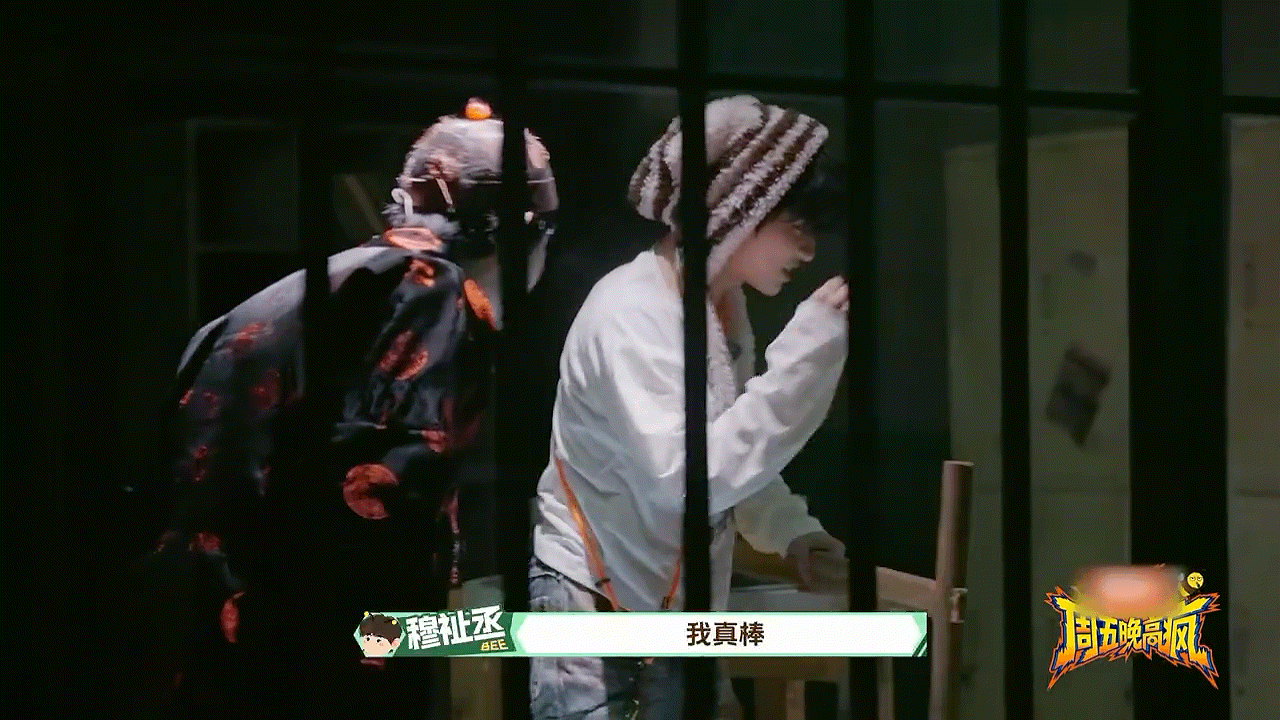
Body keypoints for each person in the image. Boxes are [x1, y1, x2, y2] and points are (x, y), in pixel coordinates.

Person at [123, 98, 557, 718]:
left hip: (200, 626)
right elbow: (380, 503)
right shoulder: (427, 294)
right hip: (294, 651)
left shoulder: (336, 283)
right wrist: (406, 646)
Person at [529, 95, 850, 720]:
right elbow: (689, 480)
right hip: (591, 607)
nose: (809, 251)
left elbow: (729, 454)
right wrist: (805, 364)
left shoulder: (716, 311)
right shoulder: (633, 312)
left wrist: (792, 534)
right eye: (798, 225)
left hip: (664, 613)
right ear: (740, 208)